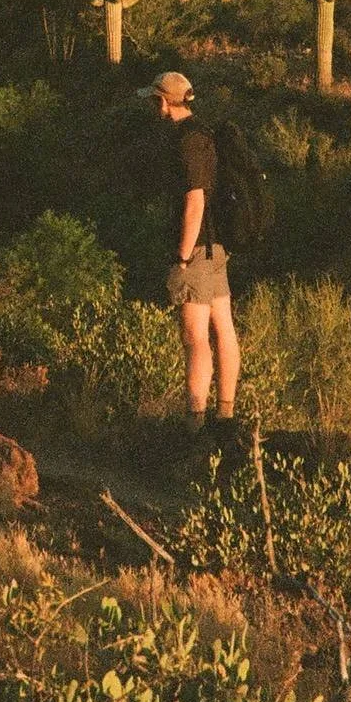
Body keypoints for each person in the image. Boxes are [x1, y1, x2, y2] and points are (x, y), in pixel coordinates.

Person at [139, 68, 241, 435]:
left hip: (197, 249)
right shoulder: (206, 134)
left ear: (164, 101)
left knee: (194, 335)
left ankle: (194, 422)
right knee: (223, 327)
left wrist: (181, 258)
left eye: (155, 100)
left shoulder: (185, 142)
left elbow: (194, 202)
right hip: (217, 247)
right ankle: (225, 414)